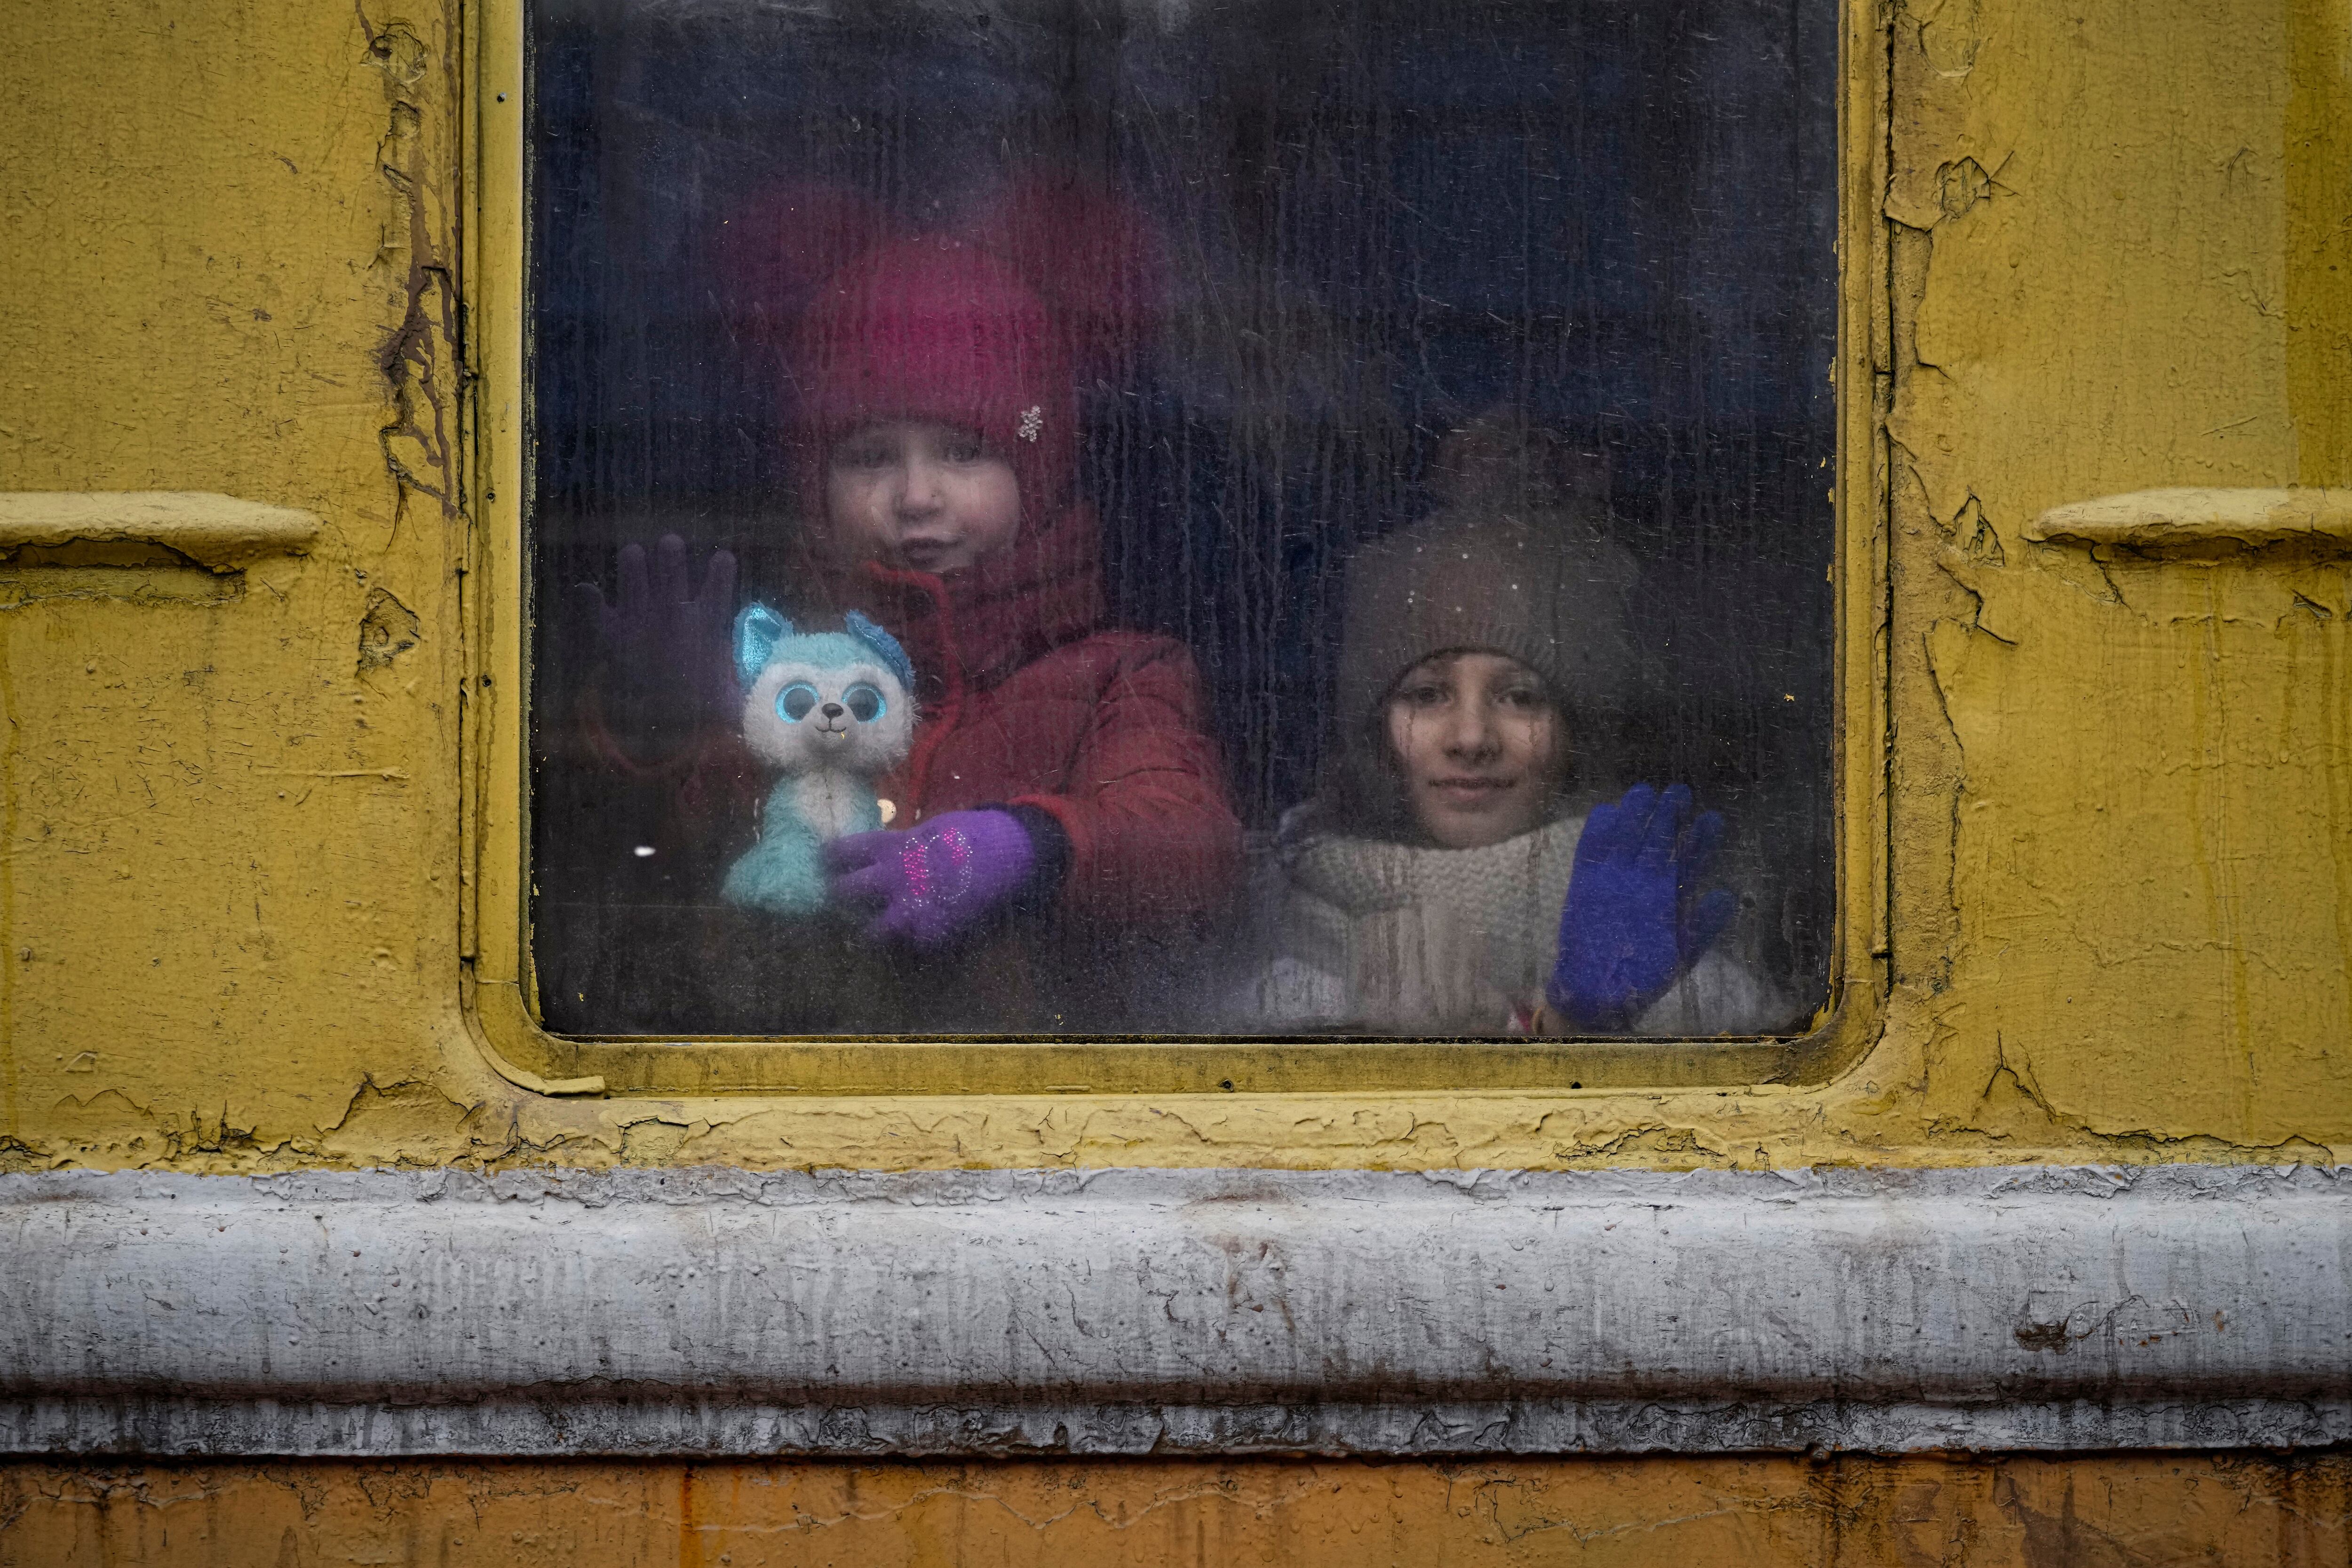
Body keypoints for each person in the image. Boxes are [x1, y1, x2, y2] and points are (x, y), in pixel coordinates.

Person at [553, 214, 1242, 1032]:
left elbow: (1190, 837)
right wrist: (659, 728)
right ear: (814, 485)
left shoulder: (1119, 675)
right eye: (871, 455)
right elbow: (640, 883)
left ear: (1040, 465)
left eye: (963, 451)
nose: (918, 496)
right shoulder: (772, 677)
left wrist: (1029, 847)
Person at [1248, 453, 1789, 1037]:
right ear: (1376, 734)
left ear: (1577, 734)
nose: (1472, 738)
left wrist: (1583, 1028)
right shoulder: (1278, 991)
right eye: (1427, 695)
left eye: (1522, 698)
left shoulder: (1688, 988)